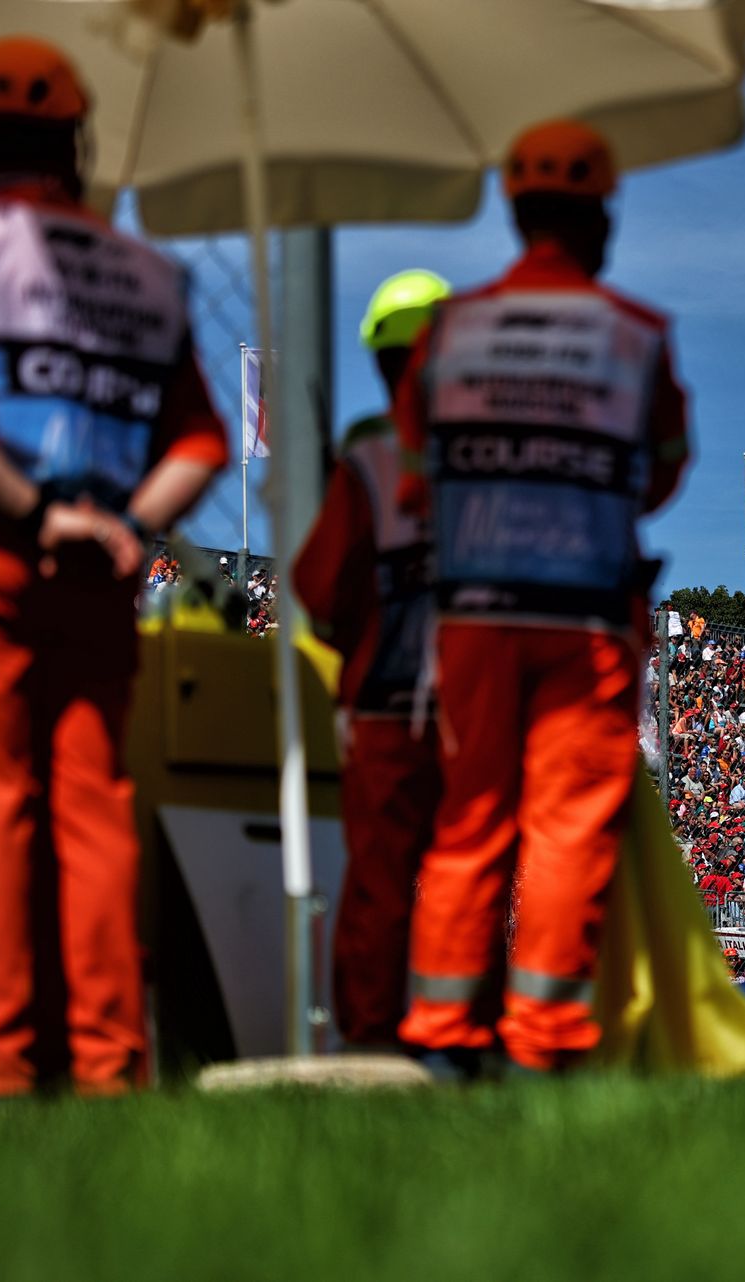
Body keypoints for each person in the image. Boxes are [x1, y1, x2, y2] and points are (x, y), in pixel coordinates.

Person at [0, 37, 227, 1094]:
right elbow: (201, 442)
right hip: (99, 579)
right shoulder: (147, 272)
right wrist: (124, 526)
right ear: (75, 140)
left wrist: (34, 512)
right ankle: (109, 1067)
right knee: (91, 815)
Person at [393, 119, 690, 1076]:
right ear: (601, 217)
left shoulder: (450, 332)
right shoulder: (635, 335)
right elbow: (661, 475)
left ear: (517, 213)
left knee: (468, 820)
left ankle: (442, 1037)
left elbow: (414, 473)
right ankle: (542, 1042)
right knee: (566, 831)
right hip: (586, 618)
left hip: (475, 612)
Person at [293, 269, 451, 1048]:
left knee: (380, 882)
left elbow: (317, 588)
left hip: (384, 704)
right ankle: (464, 1030)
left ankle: (371, 1036)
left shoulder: (368, 462)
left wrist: (355, 644)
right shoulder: (490, 459)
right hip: (472, 706)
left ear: (382, 360)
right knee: (467, 871)